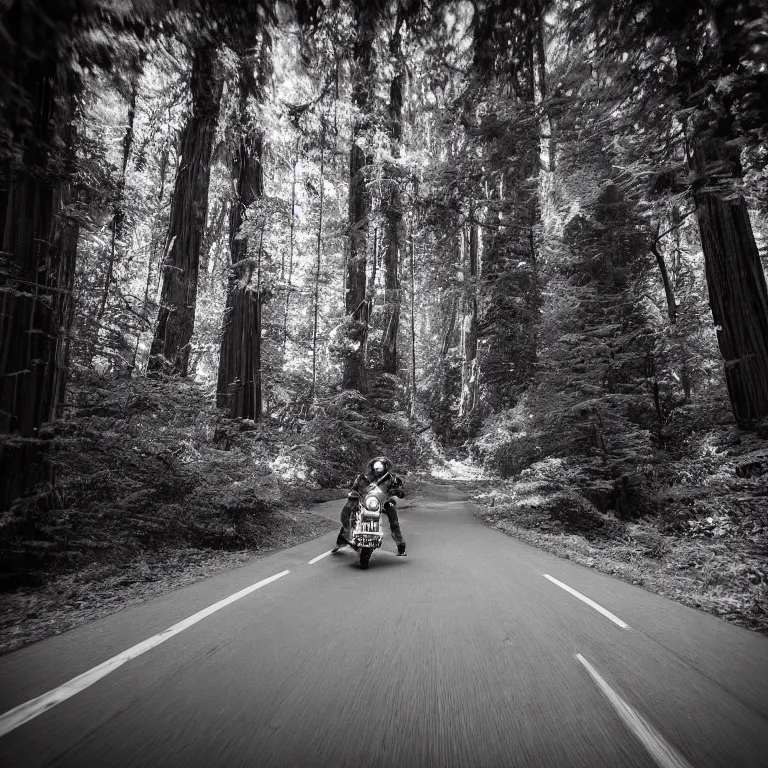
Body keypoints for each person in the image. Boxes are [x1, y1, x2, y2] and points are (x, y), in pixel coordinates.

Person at [333, 456, 407, 556]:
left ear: (385, 467)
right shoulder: (363, 477)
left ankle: (400, 544)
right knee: (349, 508)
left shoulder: (392, 479)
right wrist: (353, 494)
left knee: (392, 515)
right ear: (372, 467)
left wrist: (396, 493)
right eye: (376, 467)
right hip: (364, 501)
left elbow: (400, 492)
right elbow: (354, 489)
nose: (378, 469)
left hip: (384, 502)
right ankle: (343, 538)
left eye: (380, 467)